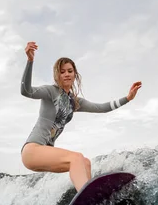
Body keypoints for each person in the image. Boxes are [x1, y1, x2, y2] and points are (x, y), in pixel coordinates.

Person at [20, 41, 142, 191]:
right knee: (76, 157)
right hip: (33, 150)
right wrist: (30, 61)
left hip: (46, 153)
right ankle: (87, 194)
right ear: (57, 75)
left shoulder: (75, 102)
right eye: (62, 71)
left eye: (70, 71)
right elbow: (26, 91)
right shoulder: (50, 91)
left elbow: (102, 108)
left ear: (75, 74)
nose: (66, 74)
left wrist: (127, 98)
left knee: (85, 162)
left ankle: (89, 204)